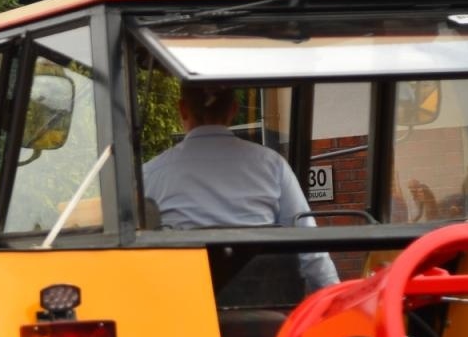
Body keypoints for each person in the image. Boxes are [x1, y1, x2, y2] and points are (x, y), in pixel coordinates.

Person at [143, 85, 339, 293]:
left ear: (182, 109)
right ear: (234, 109)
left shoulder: (149, 175)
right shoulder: (272, 166)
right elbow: (310, 250)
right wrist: (337, 302)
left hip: (187, 314)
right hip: (269, 313)